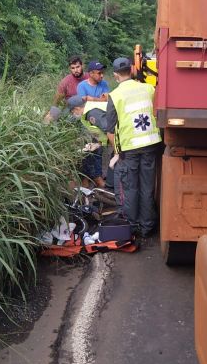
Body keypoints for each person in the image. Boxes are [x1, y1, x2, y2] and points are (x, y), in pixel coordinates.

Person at [106, 57, 162, 236]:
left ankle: (133, 226)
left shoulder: (114, 96)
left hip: (129, 149)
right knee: (147, 186)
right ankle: (147, 227)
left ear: (115, 75)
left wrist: (116, 153)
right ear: (132, 69)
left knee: (131, 188)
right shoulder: (148, 88)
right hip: (150, 144)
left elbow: (110, 130)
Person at [66, 95, 105, 188]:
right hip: (89, 149)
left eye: (72, 111)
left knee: (97, 177)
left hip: (94, 150)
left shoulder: (92, 113)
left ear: (76, 108)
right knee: (85, 177)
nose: (72, 114)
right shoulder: (82, 116)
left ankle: (108, 197)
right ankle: (89, 199)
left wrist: (98, 144)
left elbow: (106, 130)